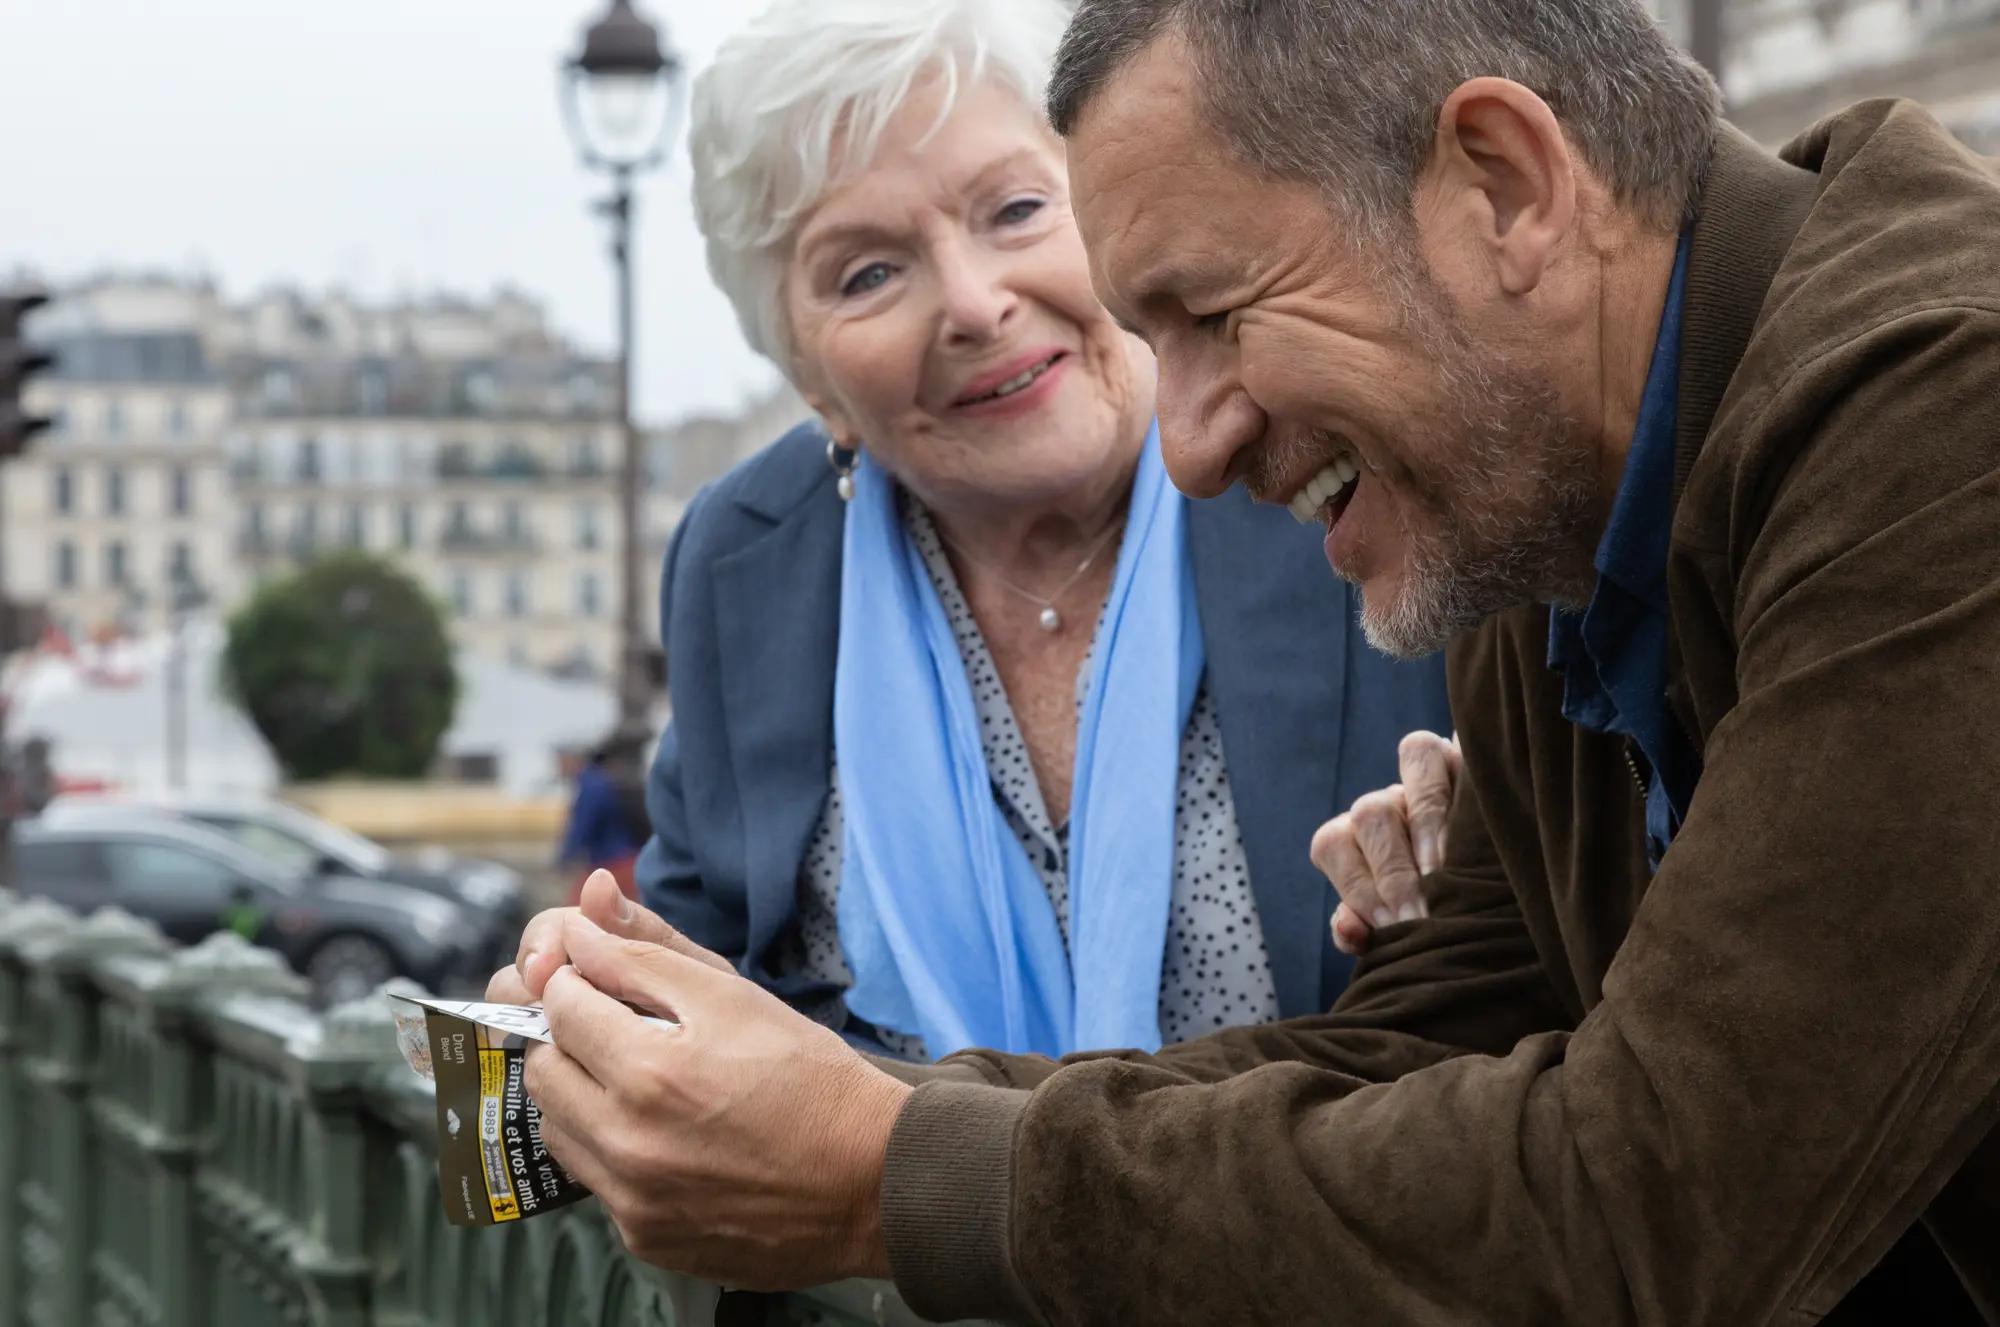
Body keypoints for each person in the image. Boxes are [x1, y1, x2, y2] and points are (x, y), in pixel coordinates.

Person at [496, 0, 2000, 1319]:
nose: (1190, 443)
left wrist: (880, 1175)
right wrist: (809, 1111)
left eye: (1212, 316)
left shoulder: (1949, 412)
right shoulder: (1547, 487)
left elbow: (1653, 1204)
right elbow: (1418, 1057)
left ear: (1507, 183)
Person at [564, 0, 1451, 1064]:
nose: (975, 303)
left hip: (1325, 1209)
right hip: (889, 1235)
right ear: (811, 381)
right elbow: (699, 967)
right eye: (867, 273)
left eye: (1017, 209)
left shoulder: (1318, 442)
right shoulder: (747, 554)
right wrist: (589, 1013)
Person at [555, 736, 648, 905]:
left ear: (572, 759)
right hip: (627, 859)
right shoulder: (601, 780)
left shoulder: (590, 784)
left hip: (613, 861)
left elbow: (583, 825)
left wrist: (564, 857)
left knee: (578, 910)